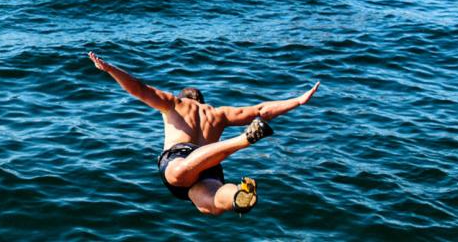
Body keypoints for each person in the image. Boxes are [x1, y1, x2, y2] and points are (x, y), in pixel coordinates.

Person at [88, 52, 318, 216]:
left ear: (185, 97)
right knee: (212, 204)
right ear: (202, 101)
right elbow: (261, 110)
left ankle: (242, 140)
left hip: (184, 158)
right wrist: (297, 100)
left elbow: (139, 88)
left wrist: (109, 69)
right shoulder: (218, 114)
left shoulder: (175, 104)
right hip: (211, 164)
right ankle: (238, 195)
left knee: (179, 173)